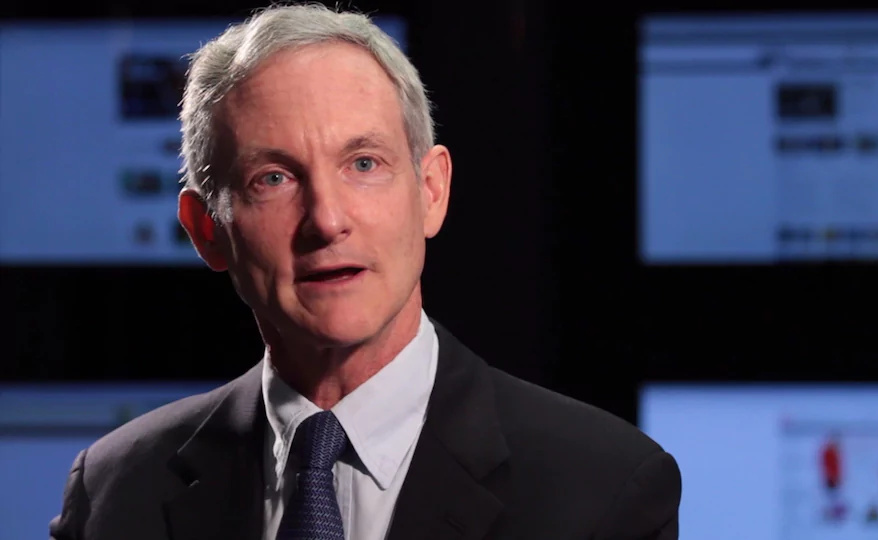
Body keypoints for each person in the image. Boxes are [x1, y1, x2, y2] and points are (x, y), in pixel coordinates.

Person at [49, 3, 682, 539]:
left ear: (431, 191)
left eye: (364, 164)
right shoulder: (114, 494)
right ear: (206, 231)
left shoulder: (604, 490)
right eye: (274, 178)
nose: (327, 221)